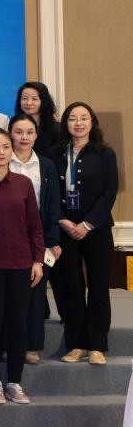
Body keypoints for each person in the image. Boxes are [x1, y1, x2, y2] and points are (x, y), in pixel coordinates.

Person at [0, 128, 44, 406]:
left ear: (11, 150)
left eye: (5, 146)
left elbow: (34, 225)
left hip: (21, 263)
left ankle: (14, 382)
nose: (0, 152)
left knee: (18, 325)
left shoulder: (23, 183)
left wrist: (37, 260)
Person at [52, 101, 120, 365]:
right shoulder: (54, 154)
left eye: (84, 118)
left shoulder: (105, 154)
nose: (78, 123)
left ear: (92, 122)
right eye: (72, 118)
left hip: (97, 228)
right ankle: (76, 344)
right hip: (65, 229)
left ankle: (97, 346)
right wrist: (63, 220)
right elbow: (49, 192)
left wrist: (87, 224)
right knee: (72, 288)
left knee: (99, 287)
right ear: (65, 123)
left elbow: (109, 192)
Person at [8, 115, 62, 365]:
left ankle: (32, 346)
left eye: (29, 132)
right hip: (7, 231)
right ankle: (8, 345)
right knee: (9, 292)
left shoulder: (46, 165)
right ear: (10, 133)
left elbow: (52, 206)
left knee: (36, 291)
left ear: (36, 135)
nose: (24, 137)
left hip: (38, 233)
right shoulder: (0, 159)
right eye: (19, 132)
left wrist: (53, 240)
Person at [15, 81, 60, 156]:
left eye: (34, 99)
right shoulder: (14, 127)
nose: (29, 103)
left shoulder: (56, 130)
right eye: (24, 98)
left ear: (44, 101)